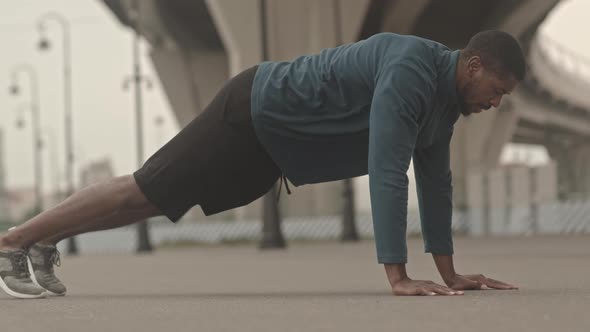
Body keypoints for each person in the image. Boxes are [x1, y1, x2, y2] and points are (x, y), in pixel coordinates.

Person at [0, 30, 524, 299]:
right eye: (496, 91)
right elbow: (388, 169)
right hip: (255, 111)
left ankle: (45, 240)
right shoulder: (412, 67)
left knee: (158, 201)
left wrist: (450, 273)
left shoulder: (445, 104)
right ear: (473, 66)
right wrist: (398, 278)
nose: (494, 103)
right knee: (146, 187)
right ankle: (10, 241)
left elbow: (435, 182)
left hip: (276, 148)